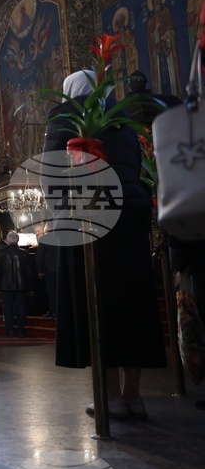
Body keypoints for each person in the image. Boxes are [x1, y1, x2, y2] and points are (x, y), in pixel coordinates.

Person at [44, 70, 167, 420]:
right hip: (130, 217)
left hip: (87, 219)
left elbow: (52, 173)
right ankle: (134, 396)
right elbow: (137, 168)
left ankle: (110, 396)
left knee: (99, 303)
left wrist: (59, 210)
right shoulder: (124, 121)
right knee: (131, 304)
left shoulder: (67, 115)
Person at [0, 231, 29, 338]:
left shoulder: (1, 252)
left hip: (6, 285)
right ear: (17, 240)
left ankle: (9, 331)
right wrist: (30, 287)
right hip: (21, 285)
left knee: (8, 308)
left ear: (7, 240)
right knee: (21, 308)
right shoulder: (24, 253)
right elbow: (28, 272)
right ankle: (21, 331)